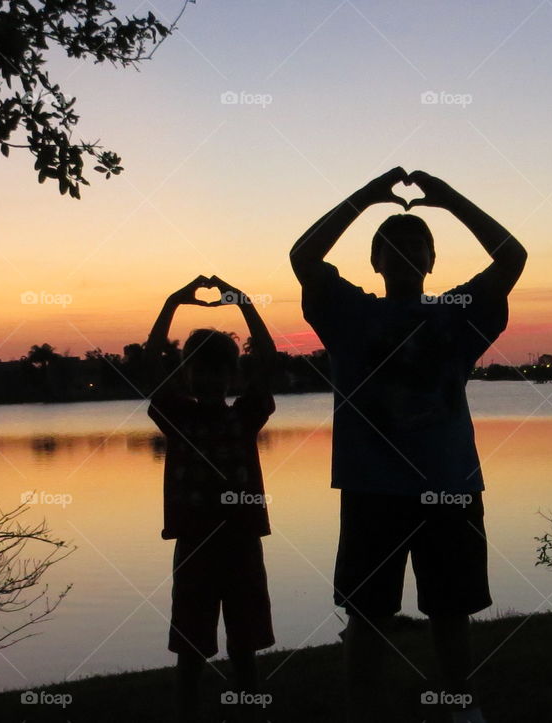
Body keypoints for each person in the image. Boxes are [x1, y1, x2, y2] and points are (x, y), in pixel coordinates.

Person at [289, 167, 527, 723]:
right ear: (375, 261)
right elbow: (304, 257)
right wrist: (366, 198)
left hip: (449, 487)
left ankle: (461, 711)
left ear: (430, 261)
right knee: (367, 615)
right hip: (373, 490)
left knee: (451, 611)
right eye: (391, 243)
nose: (403, 248)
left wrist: (448, 200)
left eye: (416, 241)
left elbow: (511, 258)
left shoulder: (458, 314)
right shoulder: (351, 313)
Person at [145, 274, 277, 723]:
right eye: (200, 369)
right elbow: (150, 361)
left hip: (241, 542)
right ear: (188, 375)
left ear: (232, 375)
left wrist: (244, 303)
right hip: (195, 544)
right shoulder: (177, 416)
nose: (210, 378)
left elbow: (268, 356)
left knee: (244, 644)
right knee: (190, 645)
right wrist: (172, 302)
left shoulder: (245, 417)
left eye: (219, 370)